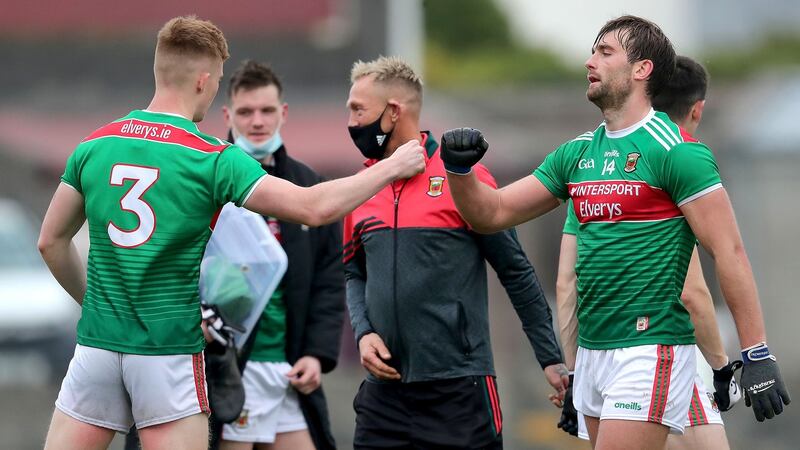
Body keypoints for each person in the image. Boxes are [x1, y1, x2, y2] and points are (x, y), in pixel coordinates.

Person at [37, 16, 424, 450]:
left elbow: (50, 242)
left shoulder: (94, 145)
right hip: (168, 355)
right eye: (219, 81)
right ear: (204, 81)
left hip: (96, 349)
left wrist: (99, 305)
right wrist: (393, 166)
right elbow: (314, 208)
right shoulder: (212, 158)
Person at [440, 15, 790, 450]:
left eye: (605, 53)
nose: (591, 62)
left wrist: (756, 352)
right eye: (592, 51)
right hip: (592, 353)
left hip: (650, 349)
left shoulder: (678, 152)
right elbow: (491, 213)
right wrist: (459, 170)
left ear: (641, 69)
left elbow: (729, 253)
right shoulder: (577, 153)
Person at [343, 55, 568, 450]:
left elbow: (515, 271)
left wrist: (550, 358)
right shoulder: (363, 186)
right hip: (384, 398)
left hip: (459, 392)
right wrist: (363, 333)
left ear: (393, 111)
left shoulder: (463, 177)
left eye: (358, 110)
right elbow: (353, 273)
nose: (351, 122)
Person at [553, 55, 741, 450]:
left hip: (600, 358)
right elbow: (692, 293)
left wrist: (574, 375)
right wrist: (722, 367)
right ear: (697, 108)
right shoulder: (677, 158)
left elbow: (566, 283)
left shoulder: (593, 169)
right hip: (658, 355)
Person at [217, 60, 344, 450]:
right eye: (246, 111)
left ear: (283, 113)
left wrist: (317, 354)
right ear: (228, 115)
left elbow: (330, 278)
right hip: (232, 369)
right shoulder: (207, 177)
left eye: (267, 110)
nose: (257, 121)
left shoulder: (308, 185)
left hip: (287, 368)